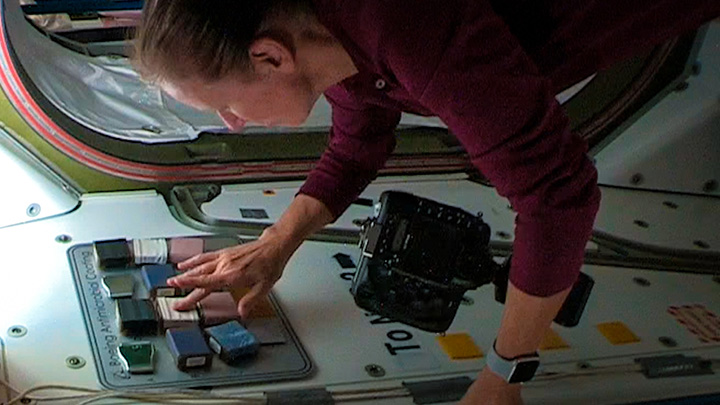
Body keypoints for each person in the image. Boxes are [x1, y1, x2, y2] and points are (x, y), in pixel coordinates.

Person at [134, 1, 719, 403]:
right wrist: (274, 245)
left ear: (268, 58)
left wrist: (503, 373)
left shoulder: (402, 22)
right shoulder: (325, 35)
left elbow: (556, 196)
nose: (230, 125)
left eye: (224, 106)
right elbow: (358, 139)